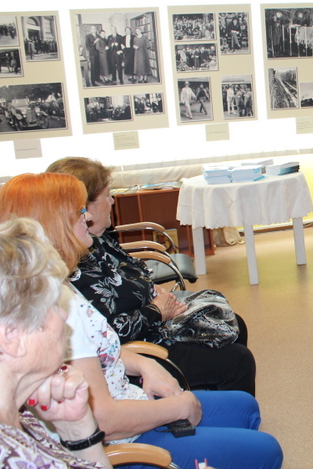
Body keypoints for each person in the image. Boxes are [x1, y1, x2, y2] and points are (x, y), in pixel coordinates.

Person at [0, 173, 283, 469]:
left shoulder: (58, 288)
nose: (87, 216)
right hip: (125, 437)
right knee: (265, 449)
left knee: (246, 409)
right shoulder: (56, 300)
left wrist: (144, 364)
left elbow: (100, 352)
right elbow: (106, 420)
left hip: (119, 402)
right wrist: (177, 406)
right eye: (79, 211)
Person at [47, 157, 257, 395]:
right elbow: (110, 333)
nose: (112, 201)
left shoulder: (97, 240)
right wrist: (157, 310)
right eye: (107, 195)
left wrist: (150, 289)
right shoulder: (77, 264)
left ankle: (213, 398)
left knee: (235, 323)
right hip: (140, 347)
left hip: (152, 322)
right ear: (86, 205)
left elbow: (129, 271)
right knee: (237, 360)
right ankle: (214, 407)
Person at [0, 217, 113, 469]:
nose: (62, 315)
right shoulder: (0, 457)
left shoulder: (15, 416)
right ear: (11, 337)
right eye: (51, 305)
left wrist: (77, 431)